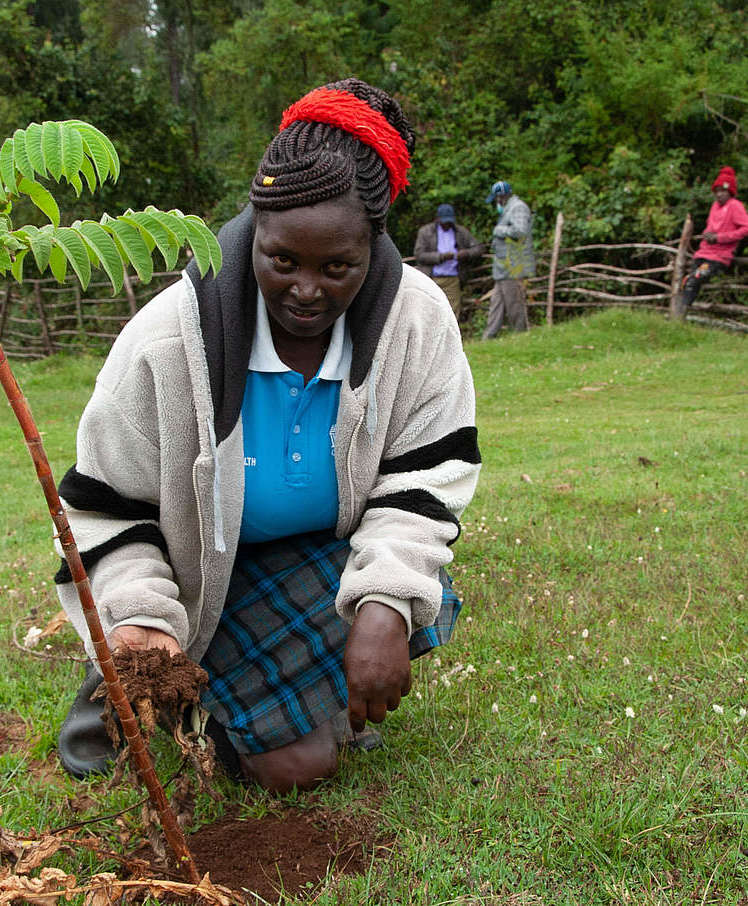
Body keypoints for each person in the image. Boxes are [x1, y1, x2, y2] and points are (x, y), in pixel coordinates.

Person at [54, 78, 481, 794]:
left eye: (336, 267)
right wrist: (143, 624)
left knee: (397, 623)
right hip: (194, 582)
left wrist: (383, 604)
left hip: (324, 557)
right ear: (255, 228)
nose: (306, 290)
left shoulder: (417, 321)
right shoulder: (167, 341)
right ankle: (149, 687)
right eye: (282, 260)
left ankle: (284, 695)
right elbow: (104, 507)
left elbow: (426, 477)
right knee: (297, 767)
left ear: (374, 246)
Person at [677, 166, 748, 314]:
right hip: (704, 252)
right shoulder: (715, 207)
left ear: (730, 191)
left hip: (719, 256)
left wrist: (720, 238)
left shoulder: (735, 206)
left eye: (723, 191)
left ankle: (678, 315)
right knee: (688, 282)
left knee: (694, 279)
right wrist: (707, 234)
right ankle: (680, 315)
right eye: (717, 191)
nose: (719, 195)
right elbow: (710, 226)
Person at [481, 180, 534, 339]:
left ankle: (521, 336)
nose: (497, 203)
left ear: (501, 196)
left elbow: (520, 230)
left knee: (514, 305)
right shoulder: (508, 209)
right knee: (496, 304)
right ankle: (488, 338)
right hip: (503, 268)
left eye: (497, 199)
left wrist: (499, 230)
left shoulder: (518, 207)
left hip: (513, 266)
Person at [413, 203, 485, 319]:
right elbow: (419, 254)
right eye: (444, 222)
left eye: (449, 221)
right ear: (437, 219)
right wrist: (441, 257)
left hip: (452, 279)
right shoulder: (426, 232)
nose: (447, 224)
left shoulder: (460, 232)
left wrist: (466, 253)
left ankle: (451, 337)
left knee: (452, 314)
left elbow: (479, 247)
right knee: (429, 312)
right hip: (431, 278)